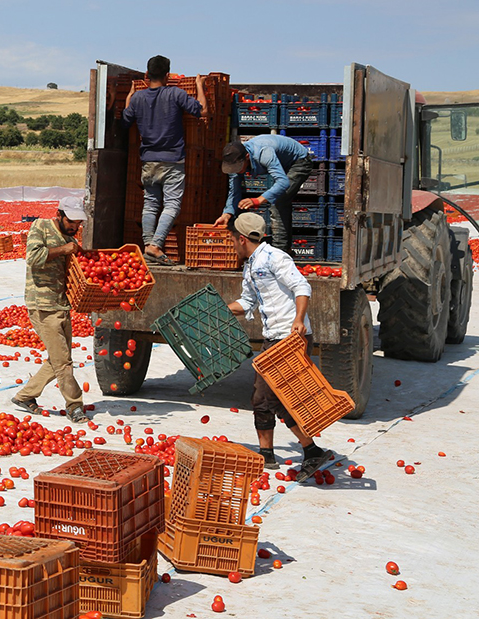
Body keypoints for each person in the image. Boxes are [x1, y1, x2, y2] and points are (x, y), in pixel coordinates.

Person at [226, 212, 334, 481]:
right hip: (272, 338)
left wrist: (299, 320)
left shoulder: (275, 257)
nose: (232, 245)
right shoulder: (250, 266)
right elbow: (247, 302)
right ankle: (267, 454)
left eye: (232, 240)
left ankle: (312, 449)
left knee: (276, 396)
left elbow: (302, 286)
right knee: (260, 397)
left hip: (290, 338)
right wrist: (220, 311)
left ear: (241, 239)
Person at [121, 55, 207, 266]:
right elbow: (202, 110)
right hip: (172, 160)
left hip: (148, 161)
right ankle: (156, 245)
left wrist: (128, 99)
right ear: (168, 75)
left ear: (146, 75)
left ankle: (148, 245)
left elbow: (125, 121)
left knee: (150, 204)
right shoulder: (176, 93)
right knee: (171, 205)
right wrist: (199, 86)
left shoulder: (139, 99)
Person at [11, 196, 87, 422]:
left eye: (79, 223)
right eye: (72, 221)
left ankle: (25, 396)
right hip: (42, 305)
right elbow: (33, 257)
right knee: (63, 361)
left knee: (58, 359)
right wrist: (64, 249)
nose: (76, 226)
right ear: (60, 214)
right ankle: (74, 405)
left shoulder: (69, 237)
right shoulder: (41, 226)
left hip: (61, 303)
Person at [214, 134, 316, 254]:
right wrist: (227, 213)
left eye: (238, 167)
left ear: (246, 157)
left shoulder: (263, 153)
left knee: (278, 202)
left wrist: (258, 200)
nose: (236, 170)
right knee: (280, 202)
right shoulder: (235, 161)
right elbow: (234, 191)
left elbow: (283, 182)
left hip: (299, 161)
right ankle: (286, 249)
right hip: (281, 162)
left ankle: (279, 253)